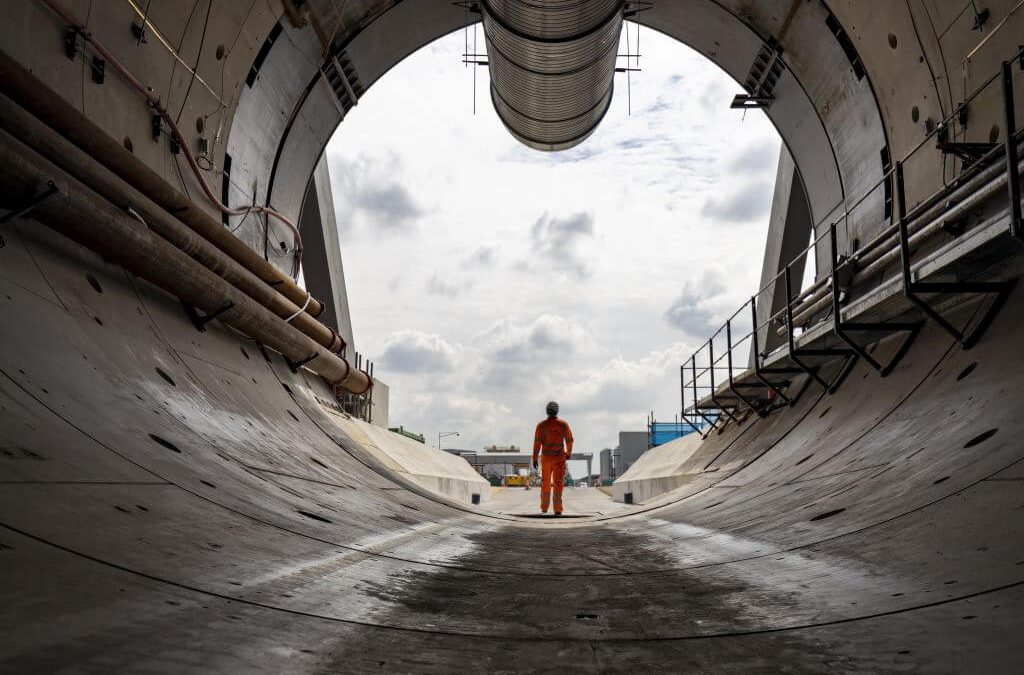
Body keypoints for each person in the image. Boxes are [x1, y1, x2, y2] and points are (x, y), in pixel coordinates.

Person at [532, 401, 573, 516]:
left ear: (547, 411)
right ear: (557, 411)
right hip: (559, 458)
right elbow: (569, 440)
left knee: (545, 483)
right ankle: (558, 509)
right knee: (558, 483)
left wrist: (535, 458)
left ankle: (544, 508)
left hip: (546, 459)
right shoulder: (563, 425)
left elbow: (537, 443)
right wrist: (568, 453)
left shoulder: (541, 425)